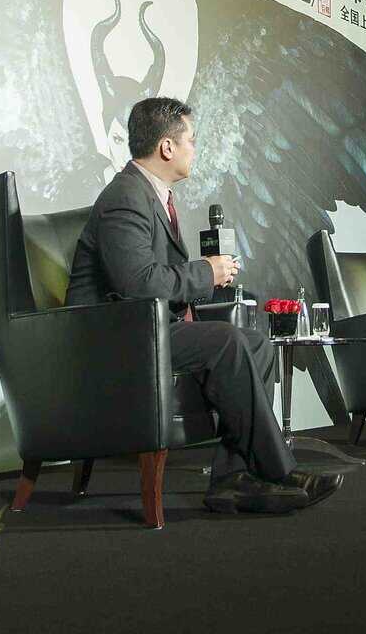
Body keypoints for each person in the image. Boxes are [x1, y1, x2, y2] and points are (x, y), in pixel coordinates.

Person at [64, 96, 342, 515]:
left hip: (149, 328)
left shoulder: (151, 195)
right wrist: (205, 272)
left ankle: (232, 480)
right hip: (118, 338)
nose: (195, 149)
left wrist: (210, 277)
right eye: (191, 140)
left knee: (256, 343)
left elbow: (156, 280)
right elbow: (138, 285)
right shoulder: (125, 197)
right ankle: (279, 471)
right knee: (228, 341)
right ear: (167, 147)